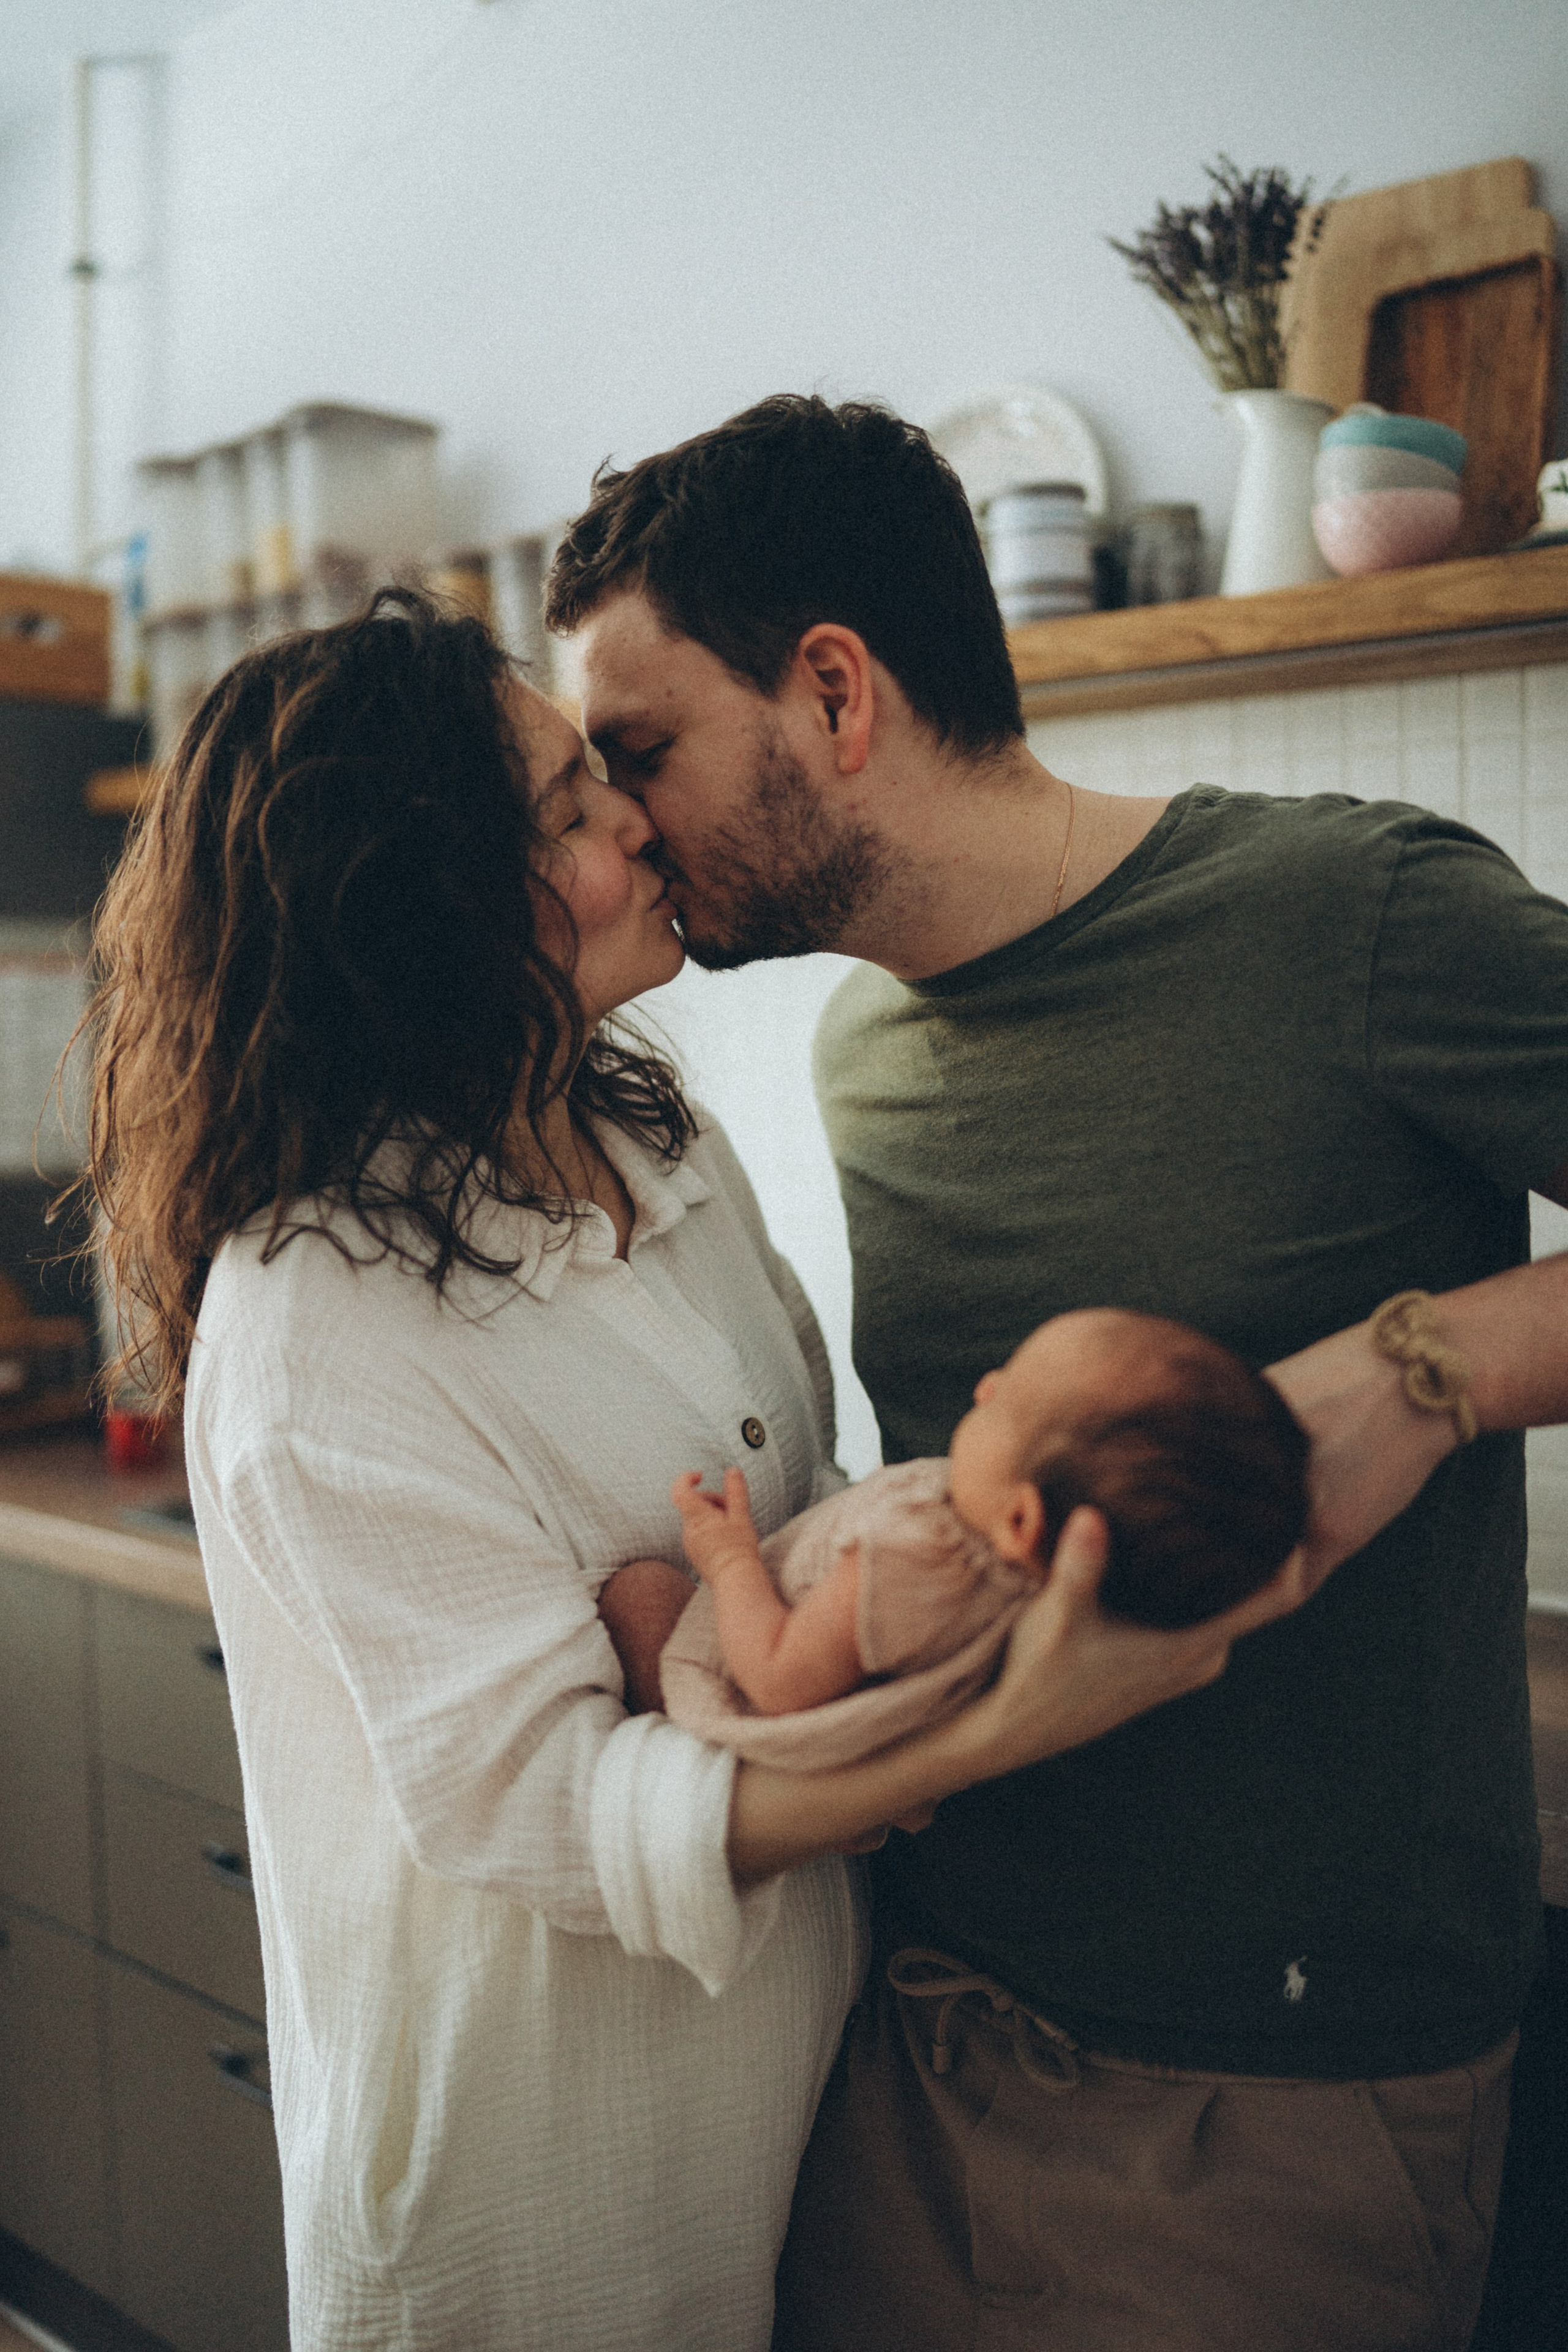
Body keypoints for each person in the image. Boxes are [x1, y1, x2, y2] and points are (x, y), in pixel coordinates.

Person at [80, 589, 1295, 2352]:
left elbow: (794, 1510)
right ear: (415, 905)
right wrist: (998, 1722)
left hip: (798, 2132)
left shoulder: (652, 1135)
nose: (637, 820)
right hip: (544, 2197)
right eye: (571, 810)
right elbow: (554, 1812)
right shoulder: (315, 1311)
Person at [546, 393, 1568, 2350]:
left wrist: (1415, 1365)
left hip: (1264, 2110)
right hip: (912, 2031)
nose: (612, 827)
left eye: (638, 753)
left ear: (834, 692)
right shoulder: (864, 1061)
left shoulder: (1345, 918)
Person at [658, 1307, 1309, 1766]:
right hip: (846, 1725)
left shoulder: (921, 1558)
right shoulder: (1056, 1596)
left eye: (1003, 1403)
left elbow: (776, 1679)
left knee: (640, 1591)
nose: (985, 1385)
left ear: (1021, 1522)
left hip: (742, 1707)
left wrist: (731, 1560)